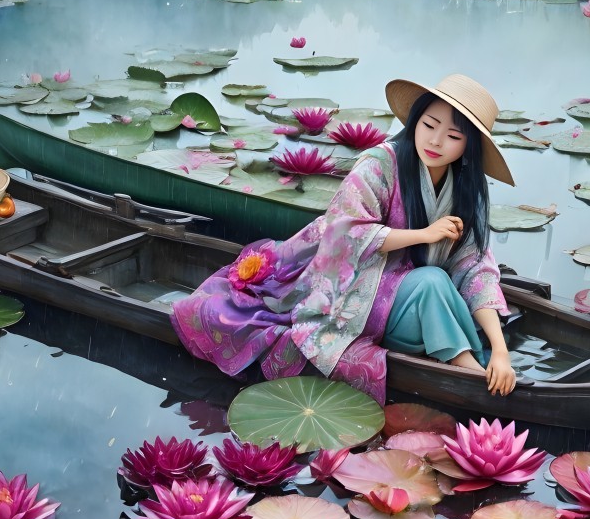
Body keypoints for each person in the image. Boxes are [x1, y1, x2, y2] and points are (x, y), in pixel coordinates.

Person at [171, 73, 517, 402]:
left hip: (413, 306)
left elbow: (476, 269)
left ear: (468, 147)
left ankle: (474, 357)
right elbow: (345, 232)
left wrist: (500, 349)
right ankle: (465, 365)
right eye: (428, 125)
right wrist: (423, 235)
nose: (436, 141)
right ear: (415, 121)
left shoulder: (466, 188)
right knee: (432, 281)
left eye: (454, 136)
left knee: (437, 283)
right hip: (353, 299)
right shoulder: (379, 164)